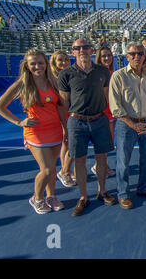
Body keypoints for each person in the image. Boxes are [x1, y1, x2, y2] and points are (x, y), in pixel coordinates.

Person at [0, 49, 67, 214]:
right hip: (36, 133)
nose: (37, 66)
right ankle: (37, 198)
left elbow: (61, 108)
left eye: (40, 63)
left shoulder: (53, 81)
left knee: (53, 168)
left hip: (55, 130)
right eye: (33, 63)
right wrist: (19, 122)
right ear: (27, 66)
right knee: (47, 169)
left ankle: (51, 196)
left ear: (46, 64)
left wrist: (66, 129)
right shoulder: (22, 84)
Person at [57, 39, 116, 216]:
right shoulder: (66, 74)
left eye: (85, 47)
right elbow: (64, 103)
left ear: (91, 50)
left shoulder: (103, 71)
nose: (82, 50)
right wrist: (65, 127)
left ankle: (102, 191)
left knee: (101, 158)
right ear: (73, 52)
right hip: (77, 122)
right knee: (80, 161)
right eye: (77, 48)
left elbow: (106, 96)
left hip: (99, 120)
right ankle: (83, 196)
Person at [109, 41, 146, 209]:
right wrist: (132, 125)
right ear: (126, 57)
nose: (136, 56)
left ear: (144, 55)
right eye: (132, 54)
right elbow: (115, 106)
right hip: (125, 125)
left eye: (140, 53)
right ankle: (123, 194)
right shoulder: (118, 76)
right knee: (123, 161)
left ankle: (144, 188)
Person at [50, 51, 76, 188]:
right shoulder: (51, 78)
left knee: (66, 143)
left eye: (66, 59)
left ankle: (66, 169)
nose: (64, 62)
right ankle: (64, 171)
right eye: (60, 60)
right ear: (54, 62)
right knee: (71, 143)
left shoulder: (68, 75)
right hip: (60, 114)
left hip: (69, 112)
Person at [92, 46, 118, 177]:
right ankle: (100, 165)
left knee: (109, 140)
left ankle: (101, 164)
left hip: (111, 110)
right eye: (104, 56)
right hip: (101, 111)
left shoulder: (113, 72)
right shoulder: (96, 73)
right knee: (102, 140)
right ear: (99, 58)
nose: (107, 58)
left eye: (109, 55)